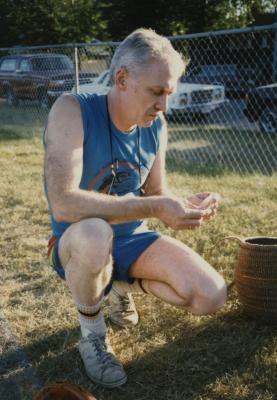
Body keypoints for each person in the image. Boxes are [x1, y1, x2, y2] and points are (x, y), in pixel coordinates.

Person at [44, 28, 227, 388]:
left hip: (131, 239)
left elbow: (157, 191)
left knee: (211, 295)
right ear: (122, 78)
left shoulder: (157, 124)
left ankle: (116, 286)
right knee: (96, 233)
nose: (164, 106)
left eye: (169, 93)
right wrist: (158, 205)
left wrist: (185, 205)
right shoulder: (71, 110)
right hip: (77, 241)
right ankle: (93, 335)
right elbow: (64, 204)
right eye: (157, 92)